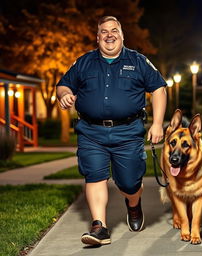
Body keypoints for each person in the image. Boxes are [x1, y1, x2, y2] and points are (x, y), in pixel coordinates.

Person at [56, 16, 166, 246]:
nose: (109, 34)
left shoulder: (138, 61)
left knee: (129, 183)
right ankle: (99, 227)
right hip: (90, 133)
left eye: (114, 30)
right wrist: (64, 94)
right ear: (98, 37)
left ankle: (133, 205)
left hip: (128, 133)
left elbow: (158, 89)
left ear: (122, 35)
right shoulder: (84, 62)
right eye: (103, 31)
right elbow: (64, 84)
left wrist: (157, 124)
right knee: (94, 175)